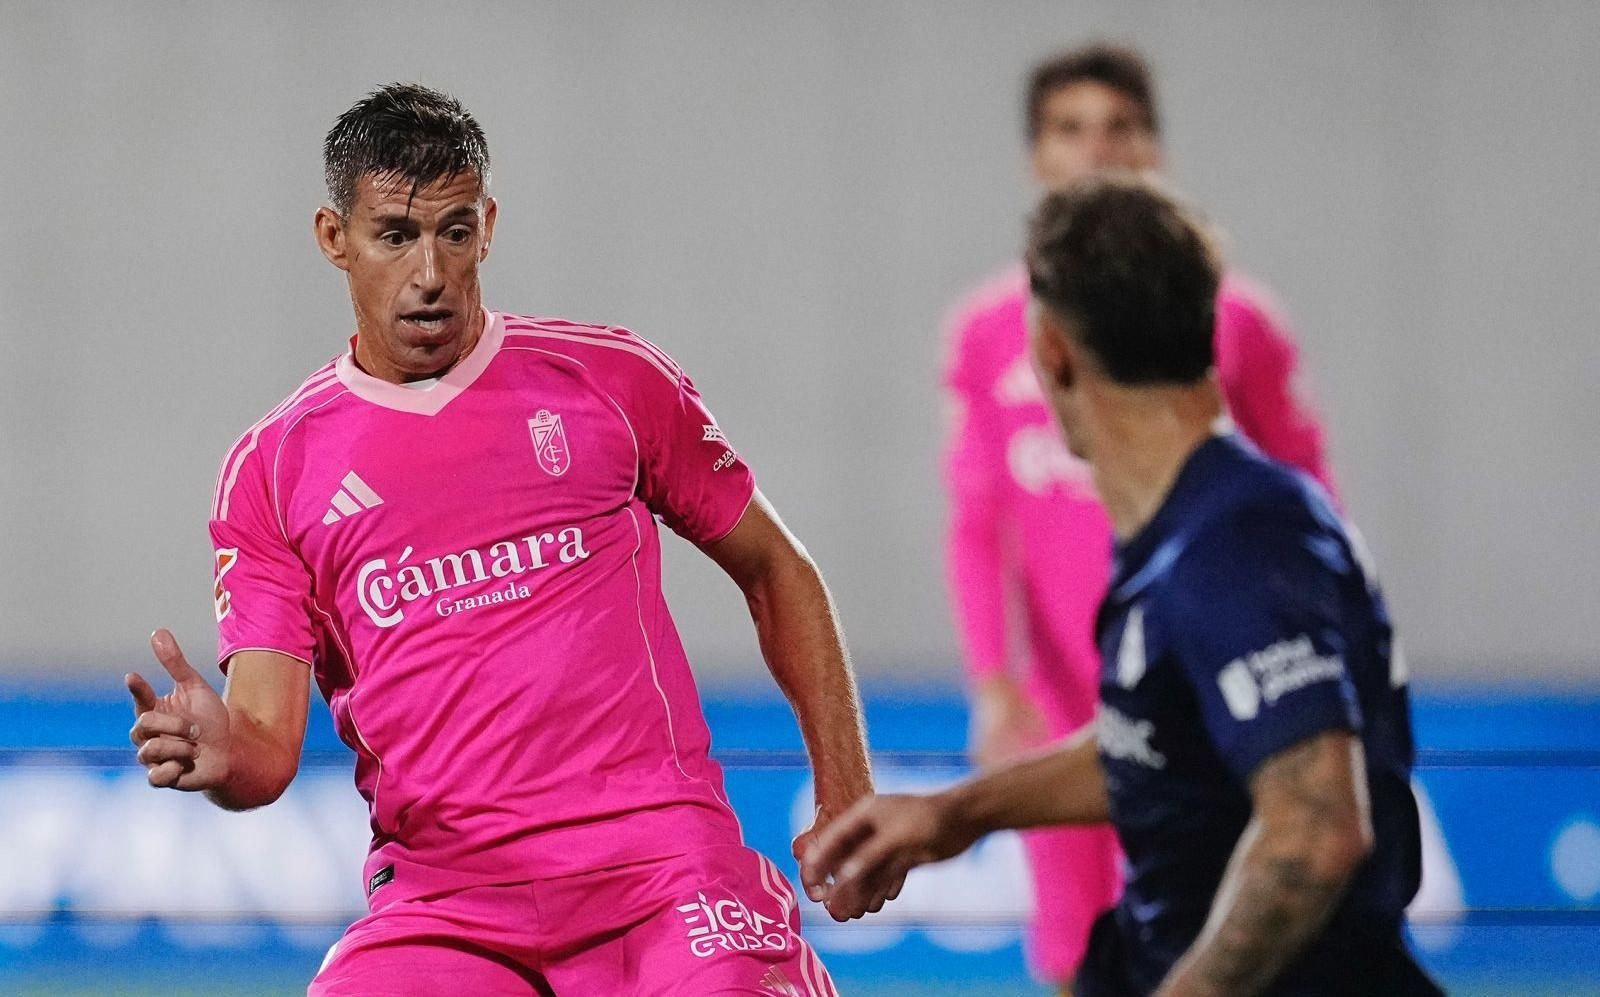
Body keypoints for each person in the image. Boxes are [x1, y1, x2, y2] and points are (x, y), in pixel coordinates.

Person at [125, 82, 865, 997]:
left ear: (489, 225)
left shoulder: (608, 381)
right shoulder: (274, 467)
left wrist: (847, 789)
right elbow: (269, 745)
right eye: (396, 235)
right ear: (334, 238)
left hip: (663, 874)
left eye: (457, 231)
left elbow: (774, 567)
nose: (430, 272)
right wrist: (226, 756)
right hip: (446, 906)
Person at [807, 176, 1443, 997]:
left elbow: (1316, 825)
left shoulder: (1238, 543)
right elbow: (1157, 744)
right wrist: (954, 815)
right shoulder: (1186, 532)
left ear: (1054, 354)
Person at [943, 42, 1336, 991]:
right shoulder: (990, 330)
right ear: (1035, 155)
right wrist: (995, 682)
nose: (1096, 151)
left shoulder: (1236, 322)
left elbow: (1307, 502)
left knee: (1216, 932)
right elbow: (975, 519)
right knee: (1080, 952)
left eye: (1118, 128)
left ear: (1152, 148)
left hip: (1206, 683)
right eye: (1069, 130)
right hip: (1066, 696)